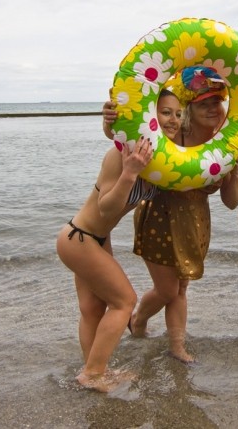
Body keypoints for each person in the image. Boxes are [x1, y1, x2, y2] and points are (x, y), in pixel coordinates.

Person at [102, 67, 238, 363]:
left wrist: (237, 167)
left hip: (196, 220)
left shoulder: (225, 144)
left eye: (217, 103)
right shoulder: (177, 132)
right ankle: (138, 319)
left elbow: (232, 202)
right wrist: (109, 122)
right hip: (160, 216)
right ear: (191, 108)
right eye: (203, 104)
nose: (212, 109)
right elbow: (131, 137)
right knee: (167, 290)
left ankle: (177, 345)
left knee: (181, 288)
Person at [56, 132, 155, 392]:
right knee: (125, 301)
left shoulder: (160, 160)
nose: (173, 119)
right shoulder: (119, 156)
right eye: (165, 113)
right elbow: (106, 208)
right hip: (79, 237)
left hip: (98, 238)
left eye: (178, 114)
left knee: (92, 308)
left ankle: (93, 369)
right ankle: (93, 373)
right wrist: (129, 173)